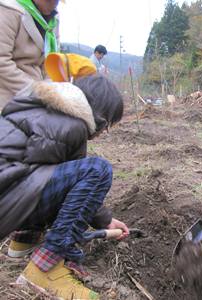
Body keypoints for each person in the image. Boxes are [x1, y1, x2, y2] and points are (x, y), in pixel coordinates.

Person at [0, 55, 129, 298]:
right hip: (6, 202)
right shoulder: (71, 124)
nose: (104, 131)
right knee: (98, 170)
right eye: (108, 123)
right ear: (99, 114)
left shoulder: (40, 108)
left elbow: (47, 177)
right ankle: (45, 268)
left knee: (49, 175)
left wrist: (105, 221)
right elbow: (76, 184)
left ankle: (24, 241)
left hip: (8, 195)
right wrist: (102, 220)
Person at [0, 0, 61, 109]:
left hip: (37, 96)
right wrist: (33, 90)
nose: (55, 3)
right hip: (8, 95)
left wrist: (50, 90)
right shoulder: (9, 10)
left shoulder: (53, 21)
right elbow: (2, 61)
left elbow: (51, 62)